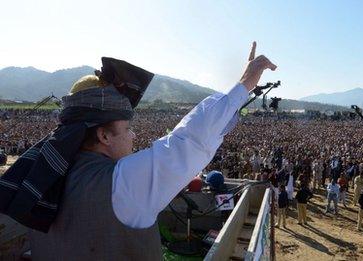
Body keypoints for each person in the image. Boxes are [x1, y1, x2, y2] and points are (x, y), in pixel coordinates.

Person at [1, 43, 277, 260]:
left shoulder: (41, 180)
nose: (133, 135)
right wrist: (245, 84)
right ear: (104, 135)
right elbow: (189, 141)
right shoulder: (120, 183)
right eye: (127, 128)